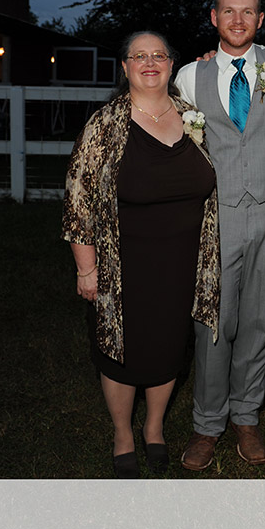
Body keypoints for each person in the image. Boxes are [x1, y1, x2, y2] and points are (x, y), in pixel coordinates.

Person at [62, 31, 220, 478]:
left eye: (158, 55)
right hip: (123, 264)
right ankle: (122, 434)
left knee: (168, 347)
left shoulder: (191, 116)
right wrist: (86, 268)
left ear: (171, 64)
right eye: (139, 56)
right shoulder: (105, 124)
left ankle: (153, 428)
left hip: (182, 261)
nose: (149, 63)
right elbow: (78, 201)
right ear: (125, 67)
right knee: (120, 351)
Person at [175, 0, 265, 469]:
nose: (238, 20)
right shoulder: (191, 75)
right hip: (217, 213)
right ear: (214, 17)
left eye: (248, 11)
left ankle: (246, 416)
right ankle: (208, 424)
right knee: (213, 322)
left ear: (261, 19)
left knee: (260, 319)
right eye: (229, 11)